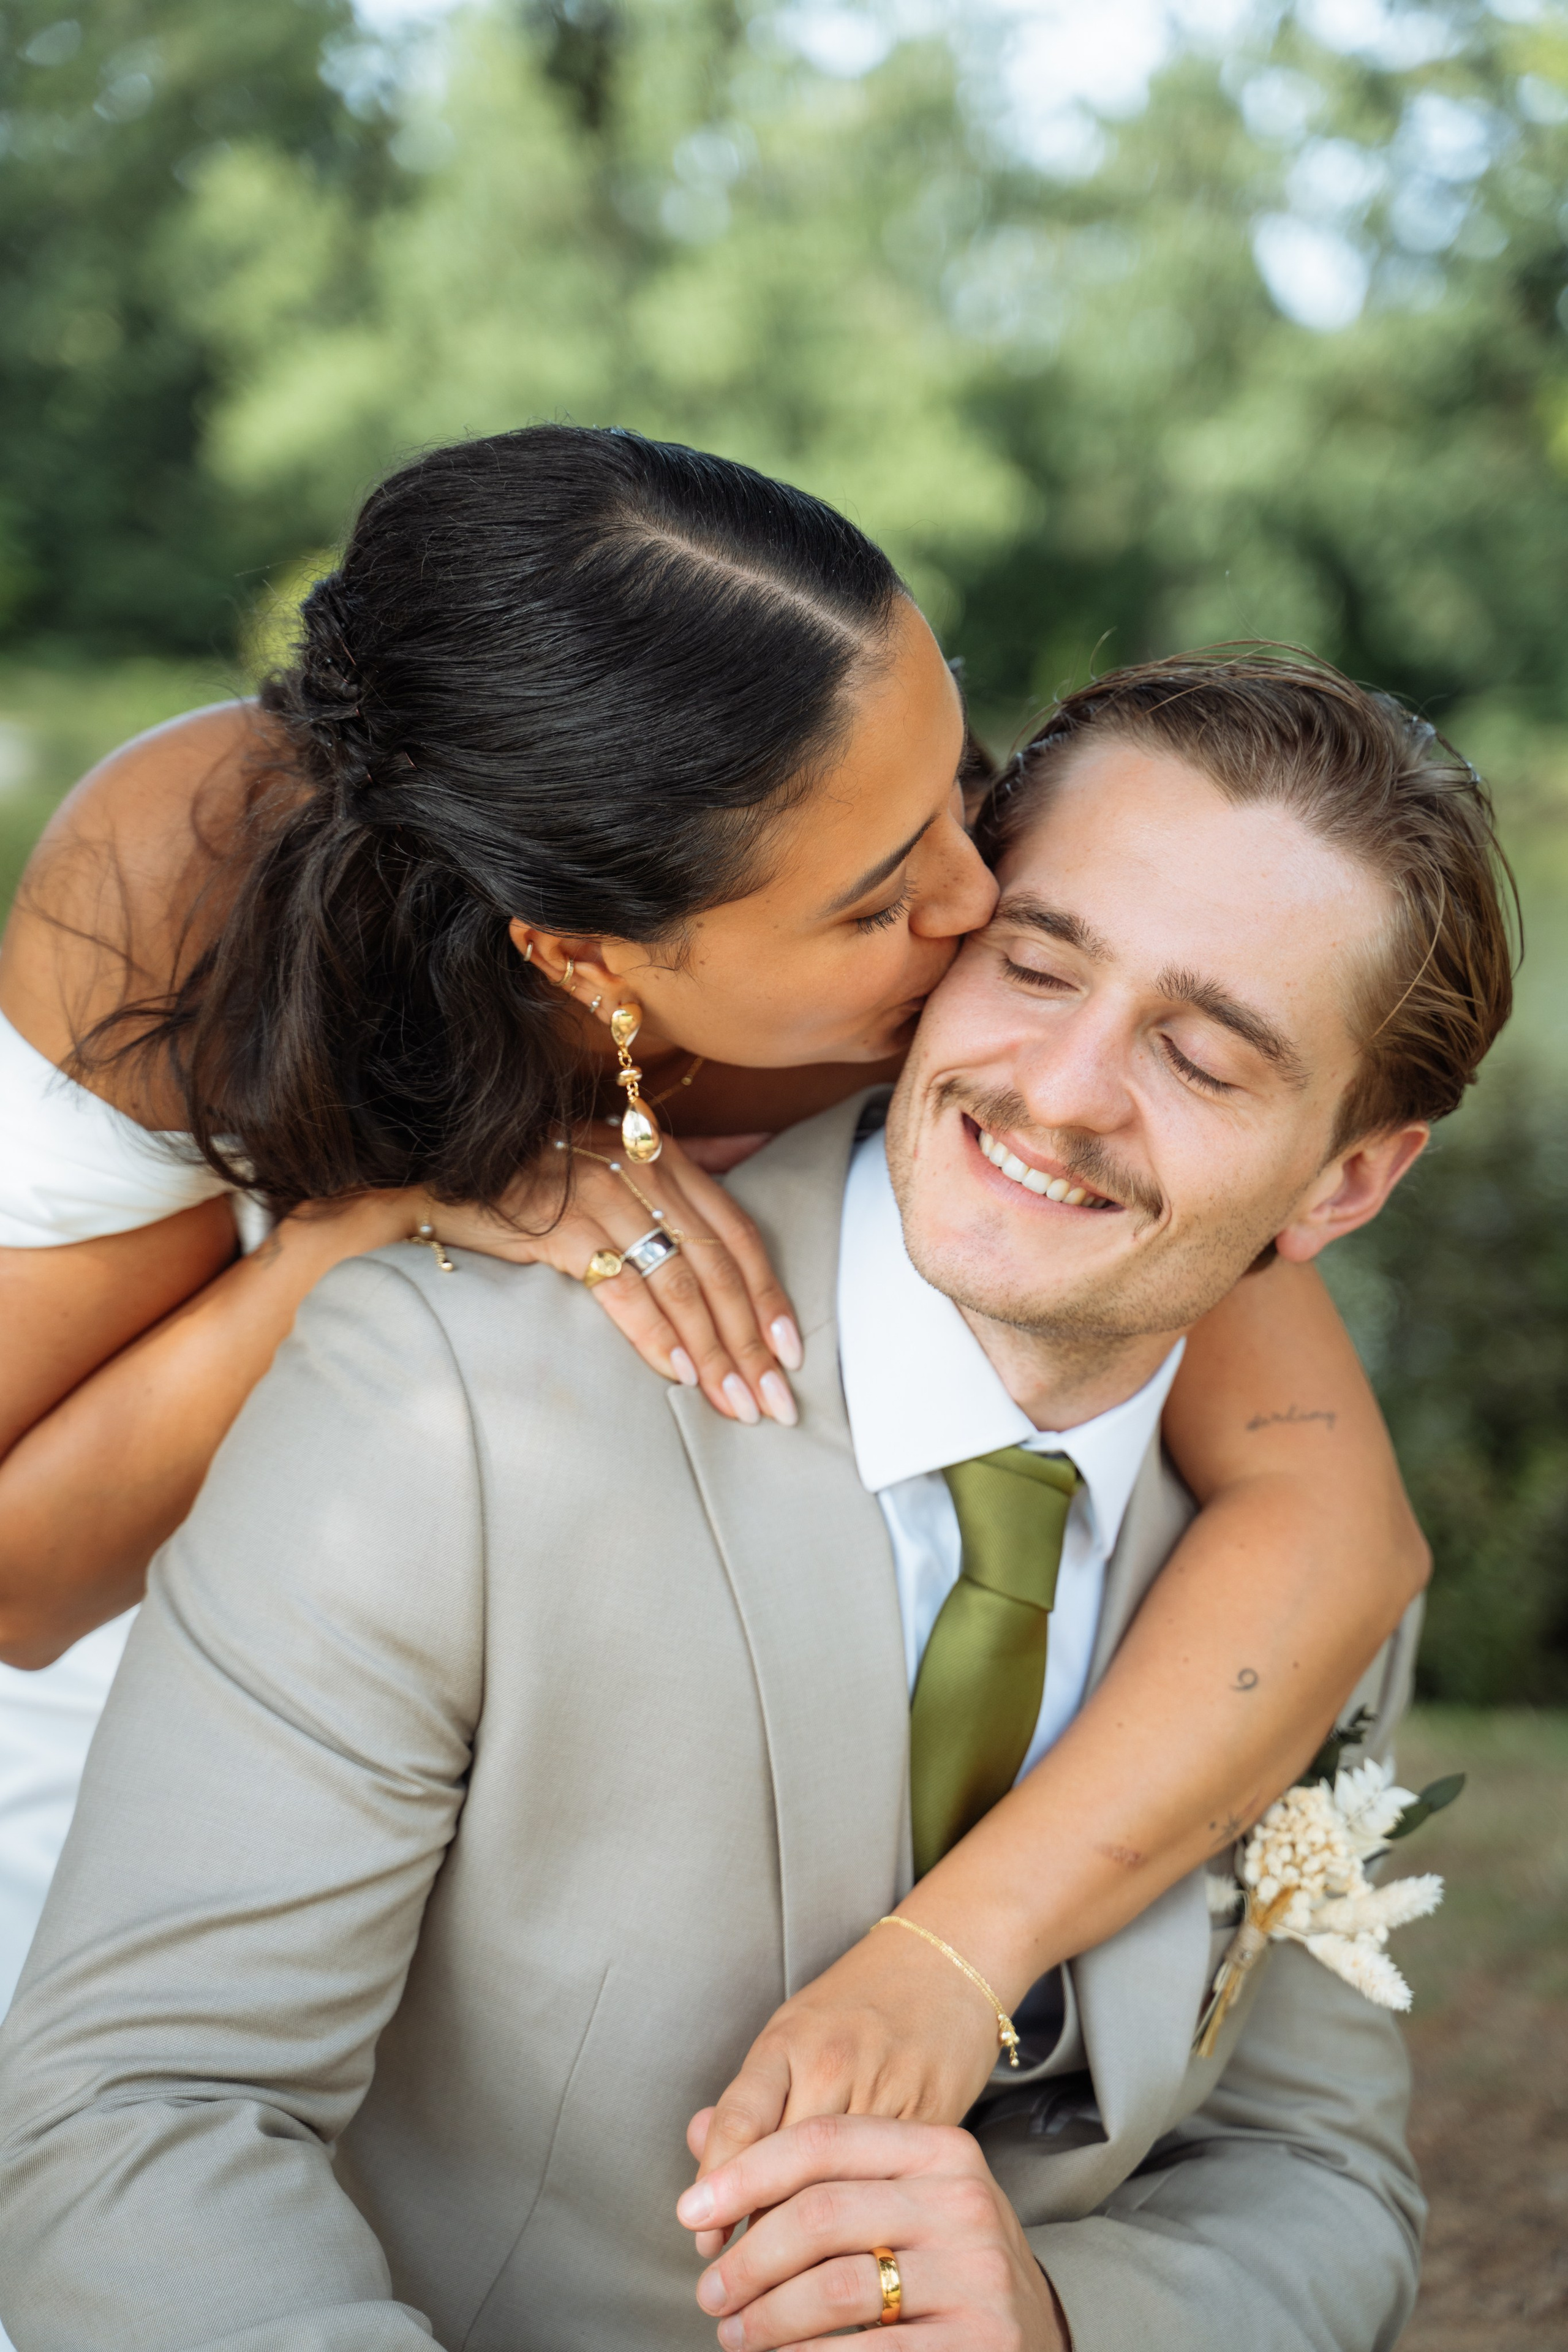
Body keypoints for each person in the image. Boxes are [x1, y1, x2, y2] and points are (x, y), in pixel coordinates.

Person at [0, 651, 1512, 2350]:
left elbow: (1315, 2172)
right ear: (942, 946)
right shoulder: (448, 1412)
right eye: (1036, 963)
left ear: (1353, 1177)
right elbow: (143, 2118)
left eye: (1207, 1057)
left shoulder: (1294, 1558)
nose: (1066, 1089)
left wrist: (1059, 2323)